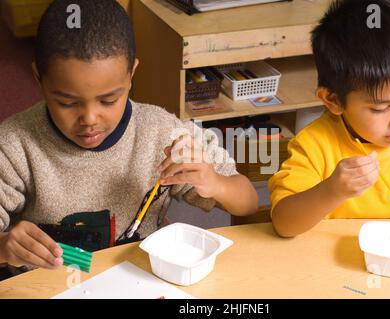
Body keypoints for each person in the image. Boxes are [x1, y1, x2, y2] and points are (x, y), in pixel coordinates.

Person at [0, 0, 258, 274]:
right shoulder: (14, 146)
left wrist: (214, 181)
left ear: (132, 74)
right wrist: (4, 246)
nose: (89, 118)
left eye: (109, 100)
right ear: (38, 78)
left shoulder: (161, 132)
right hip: (45, 287)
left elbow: (248, 202)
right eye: (67, 103)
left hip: (138, 280)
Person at [268, 0, 390, 237]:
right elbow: (284, 224)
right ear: (333, 100)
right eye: (381, 108)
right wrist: (331, 191)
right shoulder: (315, 146)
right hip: (331, 268)